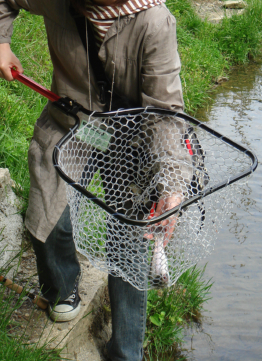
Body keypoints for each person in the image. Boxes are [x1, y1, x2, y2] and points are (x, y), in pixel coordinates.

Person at [0, 0, 184, 359]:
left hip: (132, 141)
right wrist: (1, 42)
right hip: (69, 126)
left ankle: (126, 351)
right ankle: (62, 288)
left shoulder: (155, 21)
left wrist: (172, 184)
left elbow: (165, 115)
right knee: (45, 216)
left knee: (128, 240)